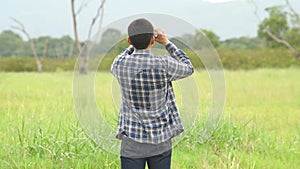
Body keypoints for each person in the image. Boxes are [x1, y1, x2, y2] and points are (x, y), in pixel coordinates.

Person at [110, 18, 194, 169]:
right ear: (153, 40)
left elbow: (121, 57)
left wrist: (134, 46)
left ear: (129, 41)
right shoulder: (164, 64)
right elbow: (188, 67)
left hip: (132, 141)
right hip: (161, 140)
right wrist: (167, 43)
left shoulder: (120, 65)